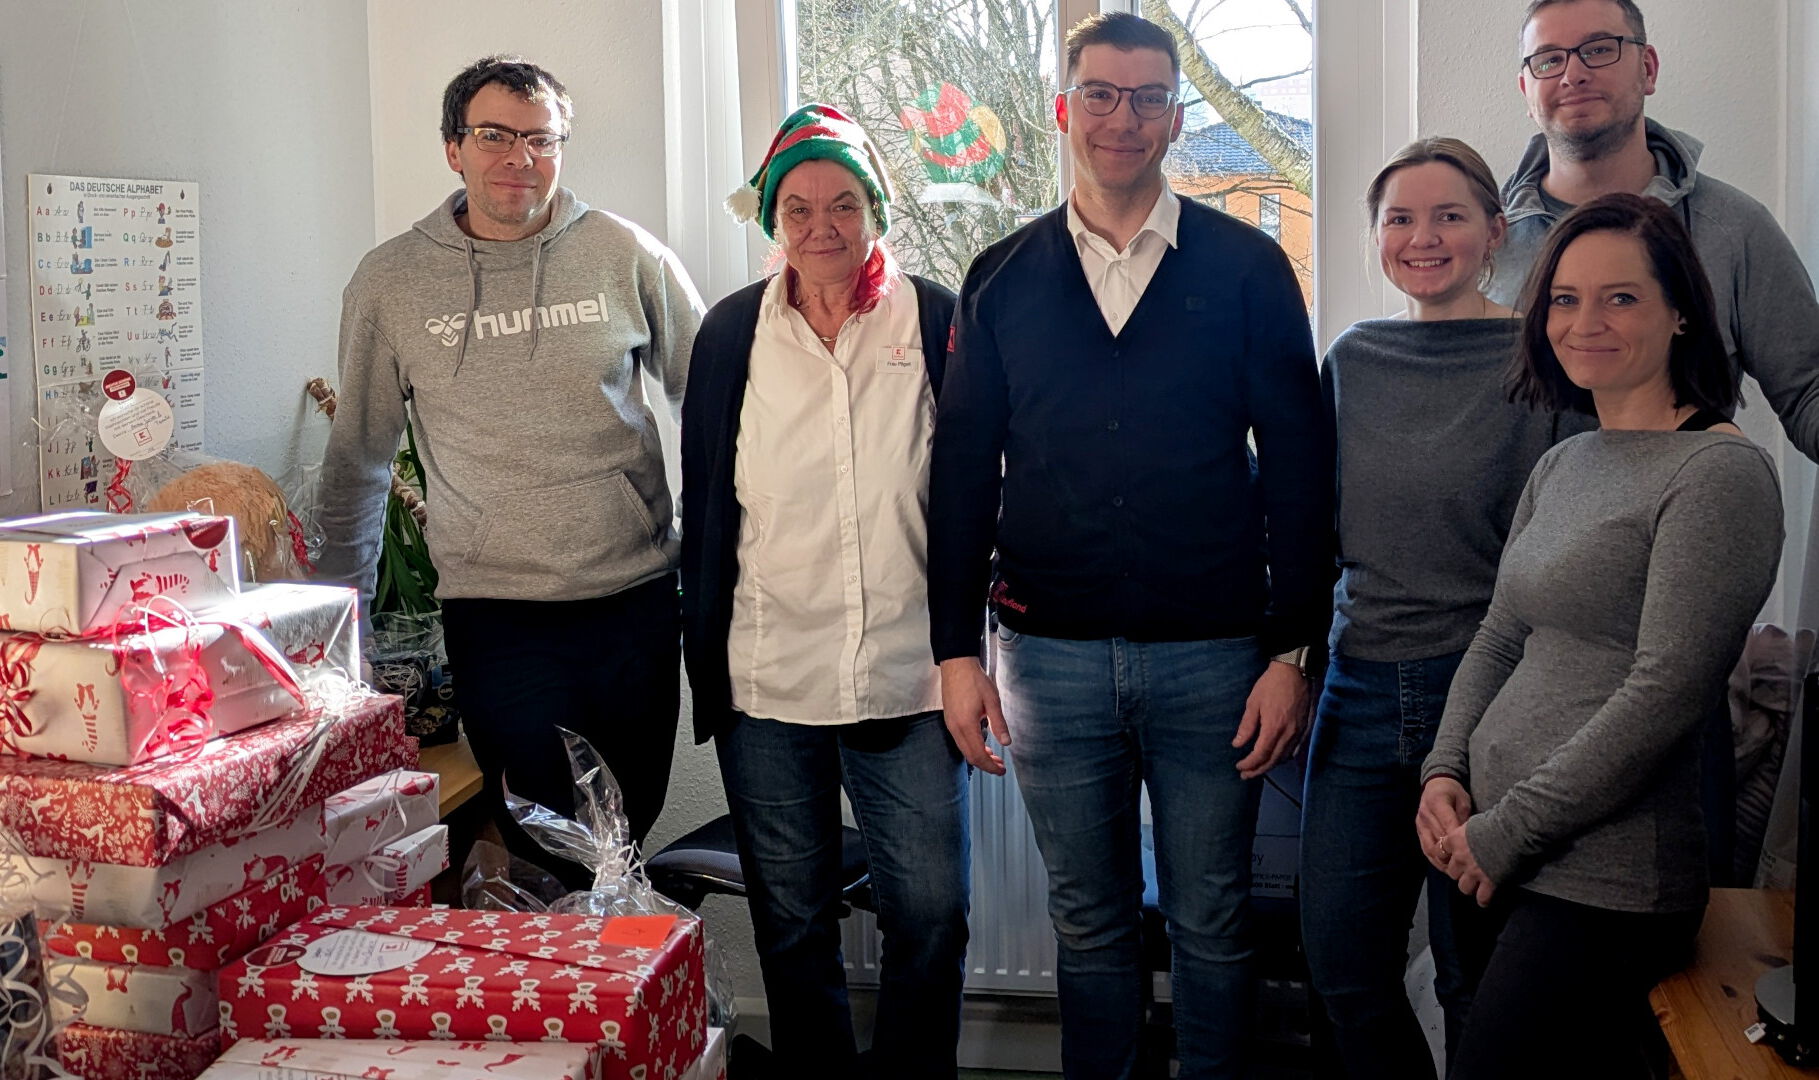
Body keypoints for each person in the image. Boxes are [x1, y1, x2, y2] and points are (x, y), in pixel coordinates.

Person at [927, 13, 1332, 1077]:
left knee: (1212, 921)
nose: (1123, 118)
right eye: (1101, 95)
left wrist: (1293, 653)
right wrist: (956, 653)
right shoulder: (1000, 276)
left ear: (1175, 118)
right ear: (1064, 109)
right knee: (1089, 924)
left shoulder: (1247, 269)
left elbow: (1300, 471)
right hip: (1047, 661)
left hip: (1216, 659)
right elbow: (961, 475)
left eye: (1148, 97)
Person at [315, 55, 703, 888]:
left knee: (630, 821)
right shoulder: (390, 282)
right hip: (497, 613)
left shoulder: (625, 253)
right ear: (453, 147)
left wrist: (717, 565)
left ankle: (624, 966)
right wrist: (334, 633)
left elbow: (714, 408)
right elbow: (359, 461)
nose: (519, 158)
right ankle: (574, 965)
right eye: (494, 135)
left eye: (541, 139)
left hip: (631, 601)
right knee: (543, 833)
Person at [1419, 193, 1783, 1079]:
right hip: (1488, 844)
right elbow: (1500, 634)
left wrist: (1507, 831)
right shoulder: (1565, 460)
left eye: (1620, 297)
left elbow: (1665, 691)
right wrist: (1443, 770)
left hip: (1604, 883)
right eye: (1564, 298)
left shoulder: (1719, 473)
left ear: (1680, 311)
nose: (1585, 323)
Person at [679, 103, 969, 1079]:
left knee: (931, 913)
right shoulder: (732, 333)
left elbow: (976, 493)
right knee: (792, 920)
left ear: (876, 209)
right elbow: (707, 506)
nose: (821, 227)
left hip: (909, 674)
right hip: (770, 676)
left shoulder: (935, 319)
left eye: (843, 204)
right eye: (797, 209)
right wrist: (703, 665)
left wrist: (977, 651)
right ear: (772, 219)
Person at [1298, 137, 1589, 1080]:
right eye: (1399, 219)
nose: (1422, 238)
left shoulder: (1544, 358)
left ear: (1494, 232)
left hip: (1492, 695)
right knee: (1342, 967)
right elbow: (1304, 523)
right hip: (1357, 688)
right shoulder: (1353, 359)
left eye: (1448, 216)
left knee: (1476, 976)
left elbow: (1574, 539)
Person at [1490, 0, 1819, 460]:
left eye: (1598, 49)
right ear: (1527, 88)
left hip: (1682, 502)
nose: (1573, 74)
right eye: (1549, 59)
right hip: (1521, 510)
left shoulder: (1734, 228)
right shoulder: (1483, 241)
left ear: (1647, 69)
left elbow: (1808, 391)